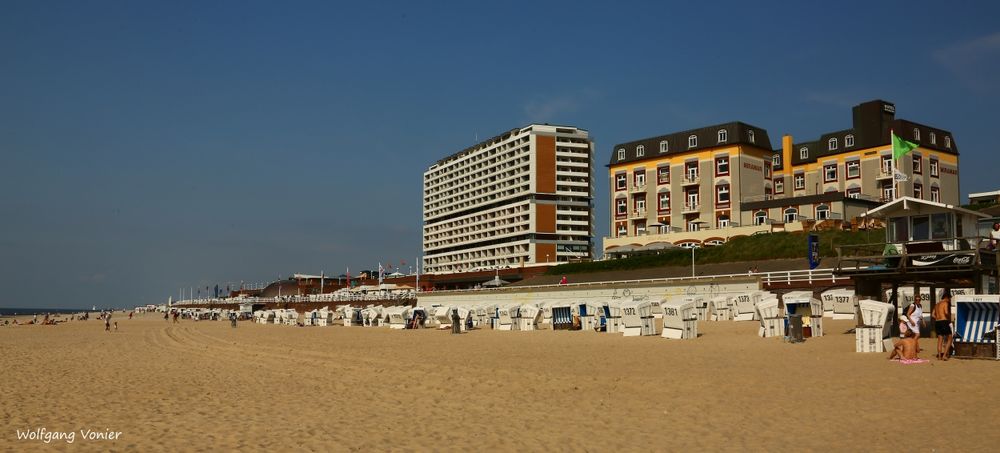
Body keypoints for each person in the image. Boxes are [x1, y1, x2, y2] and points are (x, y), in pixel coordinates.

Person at [933, 291, 954, 360]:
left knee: (940, 340)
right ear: (947, 298)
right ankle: (944, 355)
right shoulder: (945, 303)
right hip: (944, 321)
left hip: (937, 322)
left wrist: (937, 318)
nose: (950, 300)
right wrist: (949, 318)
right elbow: (946, 312)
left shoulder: (937, 304)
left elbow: (932, 314)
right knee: (950, 338)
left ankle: (939, 356)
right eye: (950, 298)